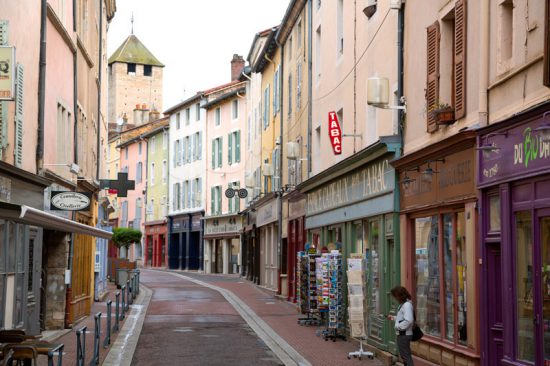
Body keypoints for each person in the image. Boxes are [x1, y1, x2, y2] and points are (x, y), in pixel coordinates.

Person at [388, 285, 414, 366]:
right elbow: (402, 318)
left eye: (395, 296)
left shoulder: (406, 305)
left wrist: (398, 327)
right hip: (402, 334)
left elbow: (409, 320)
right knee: (405, 356)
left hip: (404, 334)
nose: (395, 298)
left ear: (399, 295)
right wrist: (394, 318)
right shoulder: (404, 304)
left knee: (406, 356)